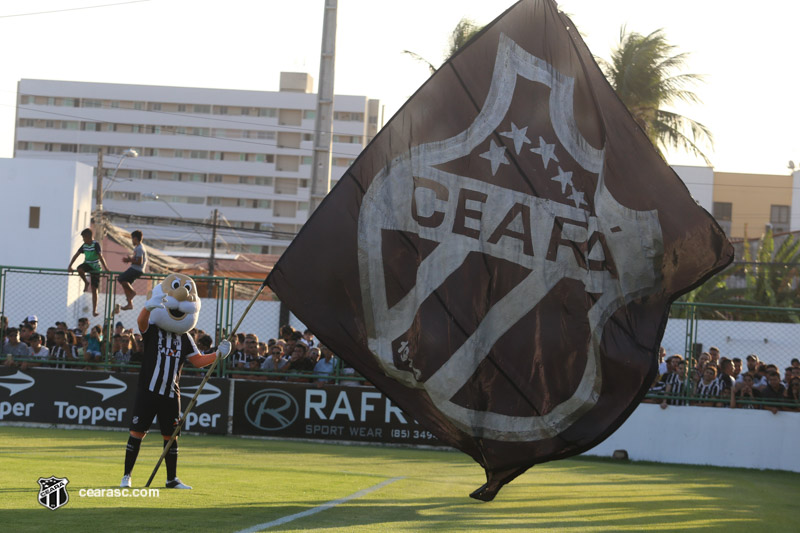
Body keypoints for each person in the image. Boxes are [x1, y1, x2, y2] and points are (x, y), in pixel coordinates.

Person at [120, 273, 231, 490]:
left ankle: (171, 479)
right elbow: (141, 323)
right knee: (137, 433)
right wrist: (149, 307)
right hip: (148, 390)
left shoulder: (185, 337)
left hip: (171, 393)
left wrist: (217, 355)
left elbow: (198, 361)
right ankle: (127, 476)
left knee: (170, 436)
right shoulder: (154, 329)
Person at [67, 228, 110, 317]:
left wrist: (106, 268)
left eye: (84, 238)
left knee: (94, 289)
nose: (83, 240)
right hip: (87, 264)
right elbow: (76, 255)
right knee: (80, 269)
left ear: (88, 237)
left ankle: (94, 310)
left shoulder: (95, 245)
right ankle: (86, 282)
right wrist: (70, 265)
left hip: (95, 267)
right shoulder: (84, 245)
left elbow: (100, 257)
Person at [119, 230, 147, 311]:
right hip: (136, 268)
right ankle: (129, 304)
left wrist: (129, 261)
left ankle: (133, 293)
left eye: (132, 239)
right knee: (124, 283)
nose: (132, 241)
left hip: (137, 269)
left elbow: (139, 261)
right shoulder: (137, 248)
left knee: (121, 278)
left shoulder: (140, 248)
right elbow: (136, 259)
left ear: (135, 239)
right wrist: (130, 259)